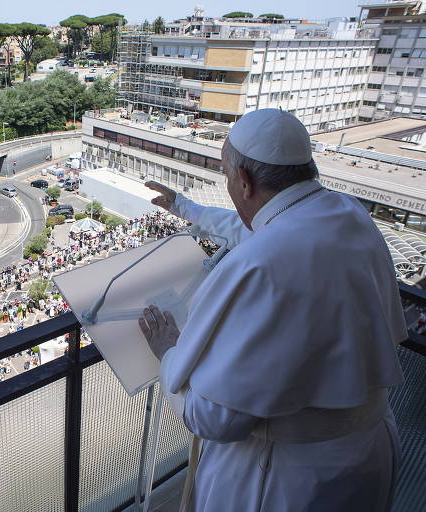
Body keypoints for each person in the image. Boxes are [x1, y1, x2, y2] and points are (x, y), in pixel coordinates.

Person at [140, 108, 406, 512]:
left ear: (244, 181)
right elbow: (261, 226)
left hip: (288, 480)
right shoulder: (346, 212)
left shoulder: (260, 267)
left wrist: (170, 353)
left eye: (228, 176)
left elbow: (215, 419)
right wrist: (186, 208)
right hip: (367, 452)